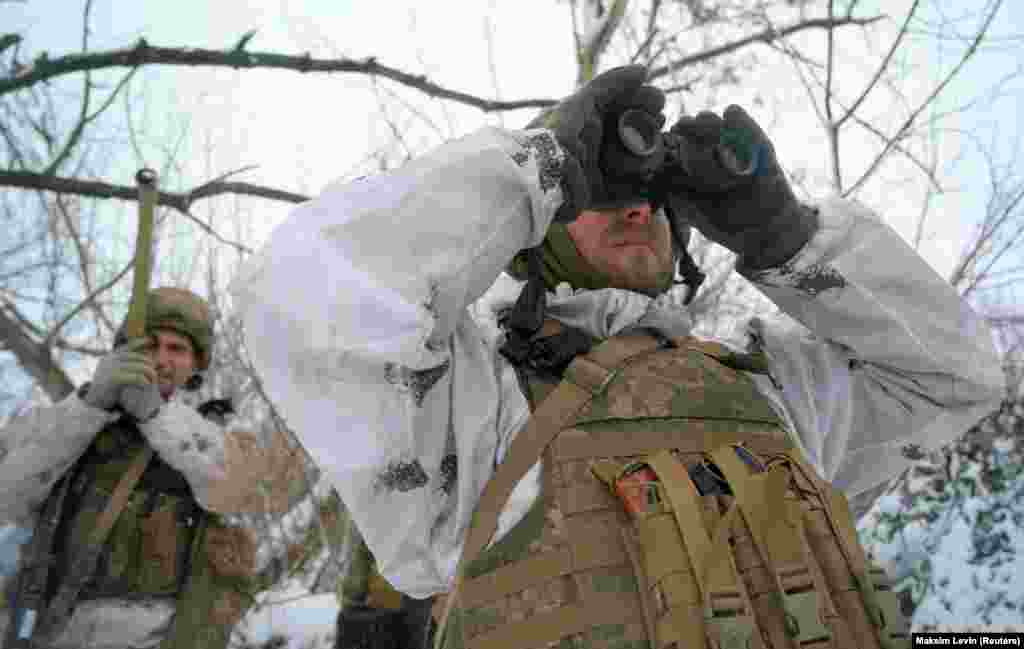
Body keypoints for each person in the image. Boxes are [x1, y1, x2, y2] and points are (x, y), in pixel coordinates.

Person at [230, 66, 1004, 649]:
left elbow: (957, 377)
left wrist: (789, 239)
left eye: (656, 199)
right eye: (606, 193)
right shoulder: (472, 399)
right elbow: (306, 299)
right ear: (543, 225)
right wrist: (542, 168)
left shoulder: (769, 382)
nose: (638, 207)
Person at [0, 287, 295, 649]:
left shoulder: (213, 436)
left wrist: (157, 416)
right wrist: (90, 406)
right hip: (44, 629)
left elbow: (235, 493)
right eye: (149, 344)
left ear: (196, 364)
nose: (160, 359)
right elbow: (7, 497)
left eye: (177, 349)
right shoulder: (66, 421)